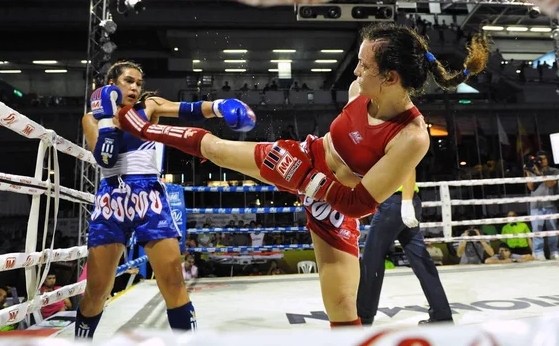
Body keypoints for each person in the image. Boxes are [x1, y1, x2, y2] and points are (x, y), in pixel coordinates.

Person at [116, 23, 489, 327]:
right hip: (305, 157)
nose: (355, 71)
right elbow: (334, 146)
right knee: (216, 150)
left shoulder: (412, 137)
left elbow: (359, 205)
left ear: (391, 77)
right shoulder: (360, 89)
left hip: (336, 204)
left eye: (363, 64)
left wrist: (305, 181)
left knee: (344, 307)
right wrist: (303, 170)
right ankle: (143, 122)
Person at [77, 60, 256, 339]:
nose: (135, 87)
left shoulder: (148, 107)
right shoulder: (91, 118)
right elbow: (104, 158)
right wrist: (108, 121)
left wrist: (220, 106)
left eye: (138, 82)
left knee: (173, 283)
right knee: (97, 291)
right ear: (111, 84)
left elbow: (191, 110)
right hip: (112, 199)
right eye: (128, 81)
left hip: (149, 197)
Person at [356, 169, 453, 326]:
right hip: (406, 201)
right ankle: (442, 315)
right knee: (421, 260)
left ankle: (364, 316)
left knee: (371, 259)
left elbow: (409, 165)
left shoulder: (386, 144)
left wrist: (405, 202)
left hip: (395, 203)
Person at [524, 150, 559, 260]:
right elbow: (530, 187)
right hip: (535, 205)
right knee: (537, 230)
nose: (541, 161)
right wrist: (528, 172)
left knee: (552, 229)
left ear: (548, 160)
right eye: (540, 159)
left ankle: (554, 251)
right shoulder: (532, 171)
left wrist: (540, 174)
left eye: (543, 159)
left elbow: (550, 184)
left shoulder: (554, 171)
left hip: (550, 204)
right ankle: (538, 252)